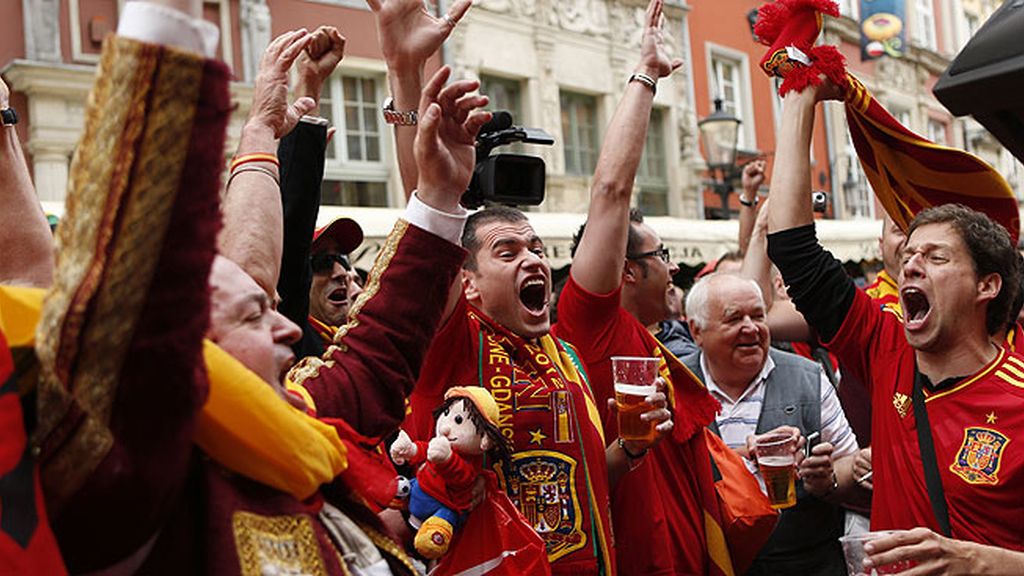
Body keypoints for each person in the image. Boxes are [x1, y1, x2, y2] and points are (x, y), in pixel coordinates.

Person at [23, 4, 485, 574]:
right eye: (252, 316)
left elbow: (380, 348)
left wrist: (440, 198)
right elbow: (132, 286)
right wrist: (170, 29)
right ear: (185, 350)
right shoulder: (135, 476)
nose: (290, 323)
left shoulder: (290, 412)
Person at [368, 1, 671, 573]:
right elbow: (426, 218)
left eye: (535, 248)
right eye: (506, 252)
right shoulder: (454, 342)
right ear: (468, 284)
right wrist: (404, 72)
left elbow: (578, 486)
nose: (532, 258)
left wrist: (629, 449)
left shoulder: (568, 360)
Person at [766, 77, 1024, 572]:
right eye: (908, 254)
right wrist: (799, 97)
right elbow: (796, 255)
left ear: (986, 286)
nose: (910, 265)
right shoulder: (886, 348)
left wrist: (972, 560)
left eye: (935, 256)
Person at [550, 1, 739, 569]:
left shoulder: (652, 337)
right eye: (663, 256)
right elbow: (610, 190)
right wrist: (646, 76)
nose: (675, 268)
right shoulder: (590, 323)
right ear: (625, 270)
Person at [683, 273, 864, 575]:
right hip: (708, 561)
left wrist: (826, 479)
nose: (751, 328)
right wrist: (741, 456)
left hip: (803, 563)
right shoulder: (678, 383)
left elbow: (850, 464)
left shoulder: (808, 377)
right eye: (734, 319)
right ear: (696, 330)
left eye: (758, 316)